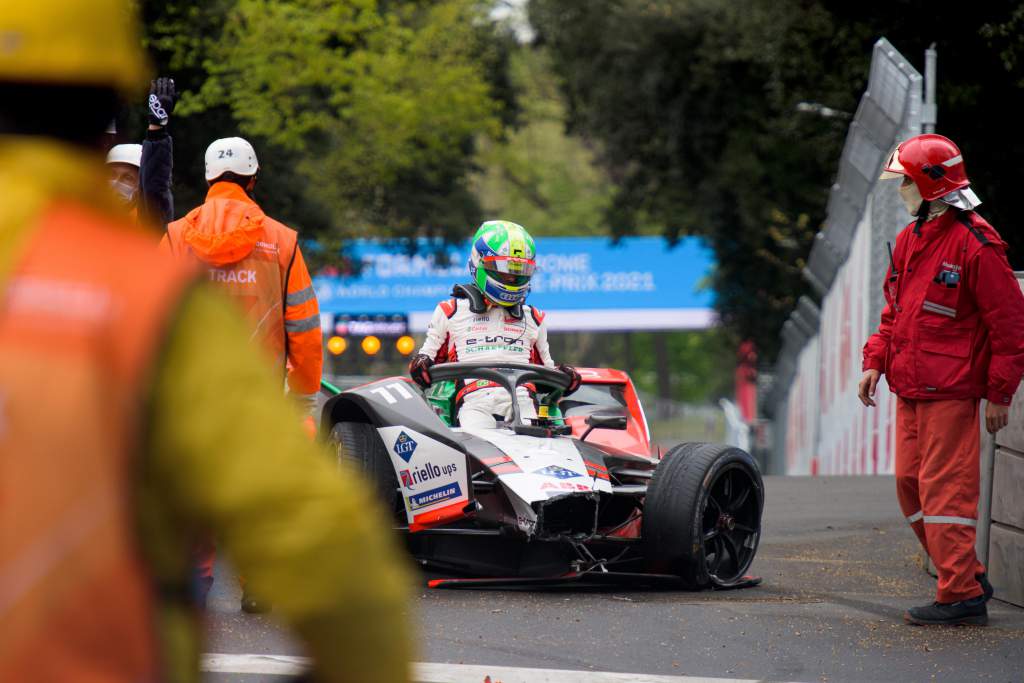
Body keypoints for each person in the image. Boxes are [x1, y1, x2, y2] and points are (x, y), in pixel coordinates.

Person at [0, 2, 411, 681]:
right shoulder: (145, 292)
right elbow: (341, 570)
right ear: (107, 108)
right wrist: (304, 393)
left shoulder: (174, 240)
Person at [859, 133, 1024, 626]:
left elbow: (1011, 326)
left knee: (946, 493)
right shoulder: (913, 238)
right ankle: (966, 576)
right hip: (910, 388)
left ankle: (959, 596)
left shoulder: (977, 244)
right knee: (911, 486)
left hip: (951, 393)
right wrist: (875, 360)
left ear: (931, 185)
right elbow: (897, 311)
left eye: (906, 181)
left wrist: (999, 394)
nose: (901, 190)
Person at [162, 136, 324, 611]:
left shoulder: (176, 237)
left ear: (210, 178)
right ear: (253, 180)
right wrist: (304, 393)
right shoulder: (282, 241)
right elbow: (306, 329)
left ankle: (195, 581)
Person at [409, 220, 581, 428]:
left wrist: (567, 376)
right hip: (474, 402)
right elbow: (423, 366)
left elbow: (549, 375)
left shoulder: (534, 317)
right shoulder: (450, 311)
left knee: (536, 431)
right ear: (480, 262)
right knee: (476, 431)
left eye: (519, 271)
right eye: (506, 270)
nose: (512, 277)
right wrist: (421, 363)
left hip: (523, 401)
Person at [105, 77, 176, 228]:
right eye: (111, 175)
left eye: (127, 178)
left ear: (141, 186)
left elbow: (154, 185)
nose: (116, 183)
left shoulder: (147, 223)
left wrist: (157, 129)